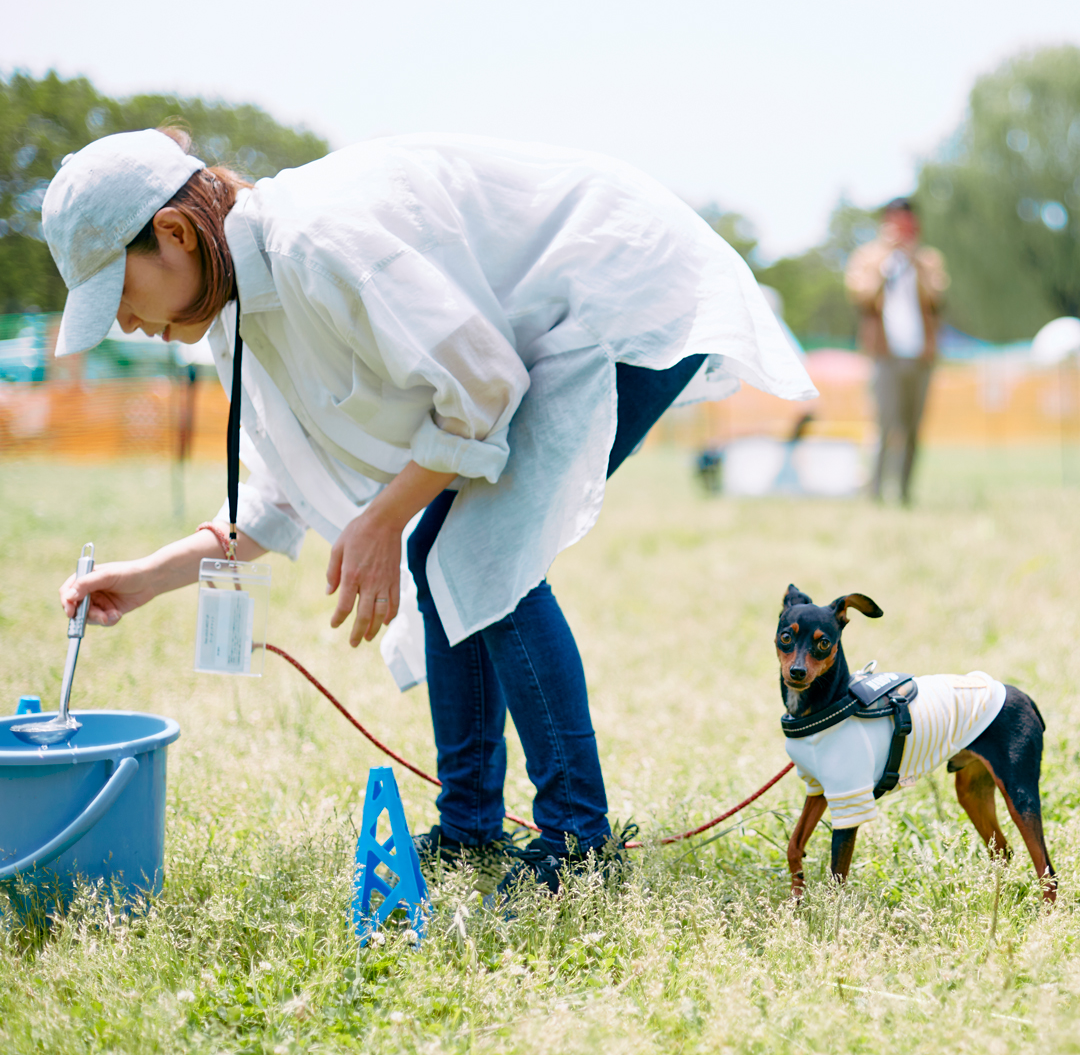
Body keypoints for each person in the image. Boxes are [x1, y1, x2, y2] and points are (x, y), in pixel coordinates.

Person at [45, 127, 816, 894]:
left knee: (479, 551)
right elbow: (280, 484)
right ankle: (471, 827)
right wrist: (150, 576)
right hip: (532, 338)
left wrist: (383, 520)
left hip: (619, 286)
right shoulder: (239, 314)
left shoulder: (319, 239)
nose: (123, 325)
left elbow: (482, 384)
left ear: (175, 233)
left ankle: (579, 842)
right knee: (448, 547)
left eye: (116, 294)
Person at [845, 198, 948, 504]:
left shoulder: (928, 259)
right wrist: (886, 259)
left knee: (913, 429)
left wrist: (912, 258)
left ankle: (903, 492)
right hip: (884, 356)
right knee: (883, 427)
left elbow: (937, 297)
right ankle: (874, 493)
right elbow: (861, 295)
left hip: (919, 356)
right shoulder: (868, 257)